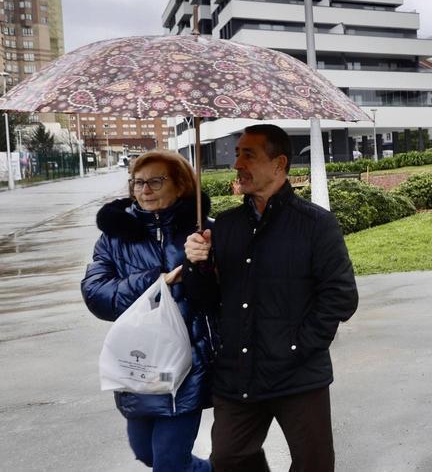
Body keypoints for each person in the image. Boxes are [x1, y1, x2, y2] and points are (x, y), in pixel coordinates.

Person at [184, 124, 358, 472]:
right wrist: (197, 264)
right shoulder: (225, 226)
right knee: (229, 459)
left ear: (279, 164)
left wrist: (297, 346)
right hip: (238, 373)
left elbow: (341, 296)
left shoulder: (316, 225)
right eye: (237, 154)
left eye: (248, 155)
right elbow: (205, 300)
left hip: (297, 374)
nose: (237, 164)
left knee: (314, 465)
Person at [82, 150, 214, 472]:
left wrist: (205, 264)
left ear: (180, 185)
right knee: (146, 453)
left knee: (168, 463)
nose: (144, 190)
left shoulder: (204, 232)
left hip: (186, 366)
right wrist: (156, 282)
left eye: (155, 181)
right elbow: (96, 294)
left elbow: (225, 292)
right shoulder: (114, 237)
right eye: (138, 182)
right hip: (139, 365)